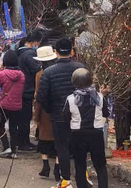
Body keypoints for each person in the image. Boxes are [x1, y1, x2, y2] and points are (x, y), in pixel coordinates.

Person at [37, 37, 86, 188]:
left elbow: (41, 96)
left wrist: (50, 109)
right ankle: (82, 179)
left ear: (56, 52)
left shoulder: (49, 72)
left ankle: (66, 181)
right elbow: (88, 91)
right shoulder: (81, 68)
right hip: (79, 115)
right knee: (79, 147)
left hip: (58, 116)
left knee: (62, 147)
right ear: (72, 51)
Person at [64, 68, 109, 188]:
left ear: (74, 82)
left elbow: (65, 117)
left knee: (80, 165)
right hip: (96, 134)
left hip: (78, 134)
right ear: (90, 81)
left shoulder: (70, 99)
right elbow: (106, 113)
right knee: (100, 165)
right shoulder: (99, 97)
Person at [33, 45, 60, 181]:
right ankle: (57, 166)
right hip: (58, 109)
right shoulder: (58, 71)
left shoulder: (39, 74)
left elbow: (38, 95)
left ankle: (45, 166)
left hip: (44, 110)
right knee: (58, 140)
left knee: (43, 138)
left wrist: (36, 114)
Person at [0, 50, 25, 159]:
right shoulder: (21, 75)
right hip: (17, 106)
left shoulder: (3, 74)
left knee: (0, 126)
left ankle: (6, 146)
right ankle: (13, 151)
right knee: (14, 128)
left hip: (4, 105)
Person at [17, 30, 43, 151]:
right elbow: (37, 71)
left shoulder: (19, 52)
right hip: (27, 89)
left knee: (22, 117)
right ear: (35, 42)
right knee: (26, 117)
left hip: (19, 88)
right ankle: (24, 143)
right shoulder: (30, 54)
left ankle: (21, 140)